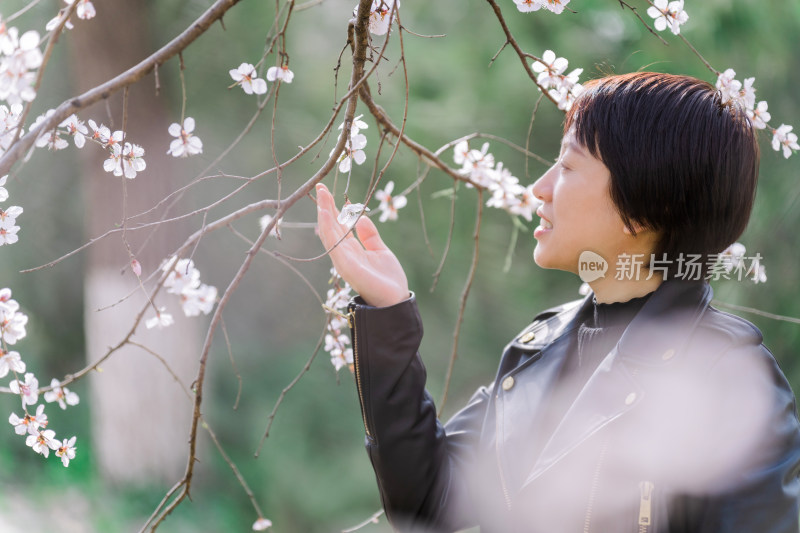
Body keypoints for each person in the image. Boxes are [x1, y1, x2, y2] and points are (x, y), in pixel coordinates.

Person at [315, 72, 800, 532]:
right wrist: (387, 311)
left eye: (567, 166)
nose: (539, 189)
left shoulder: (728, 378)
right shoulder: (537, 350)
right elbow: (427, 500)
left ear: (645, 207)